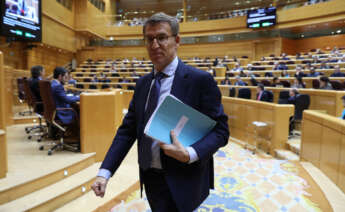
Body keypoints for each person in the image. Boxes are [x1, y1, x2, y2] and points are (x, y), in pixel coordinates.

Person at [91, 13, 229, 212]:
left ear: (177, 40)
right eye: (149, 39)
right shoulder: (142, 84)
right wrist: (105, 172)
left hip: (185, 177)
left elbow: (221, 132)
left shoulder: (200, 81)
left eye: (162, 37)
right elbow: (127, 131)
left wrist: (190, 154)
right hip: (151, 176)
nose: (155, 45)